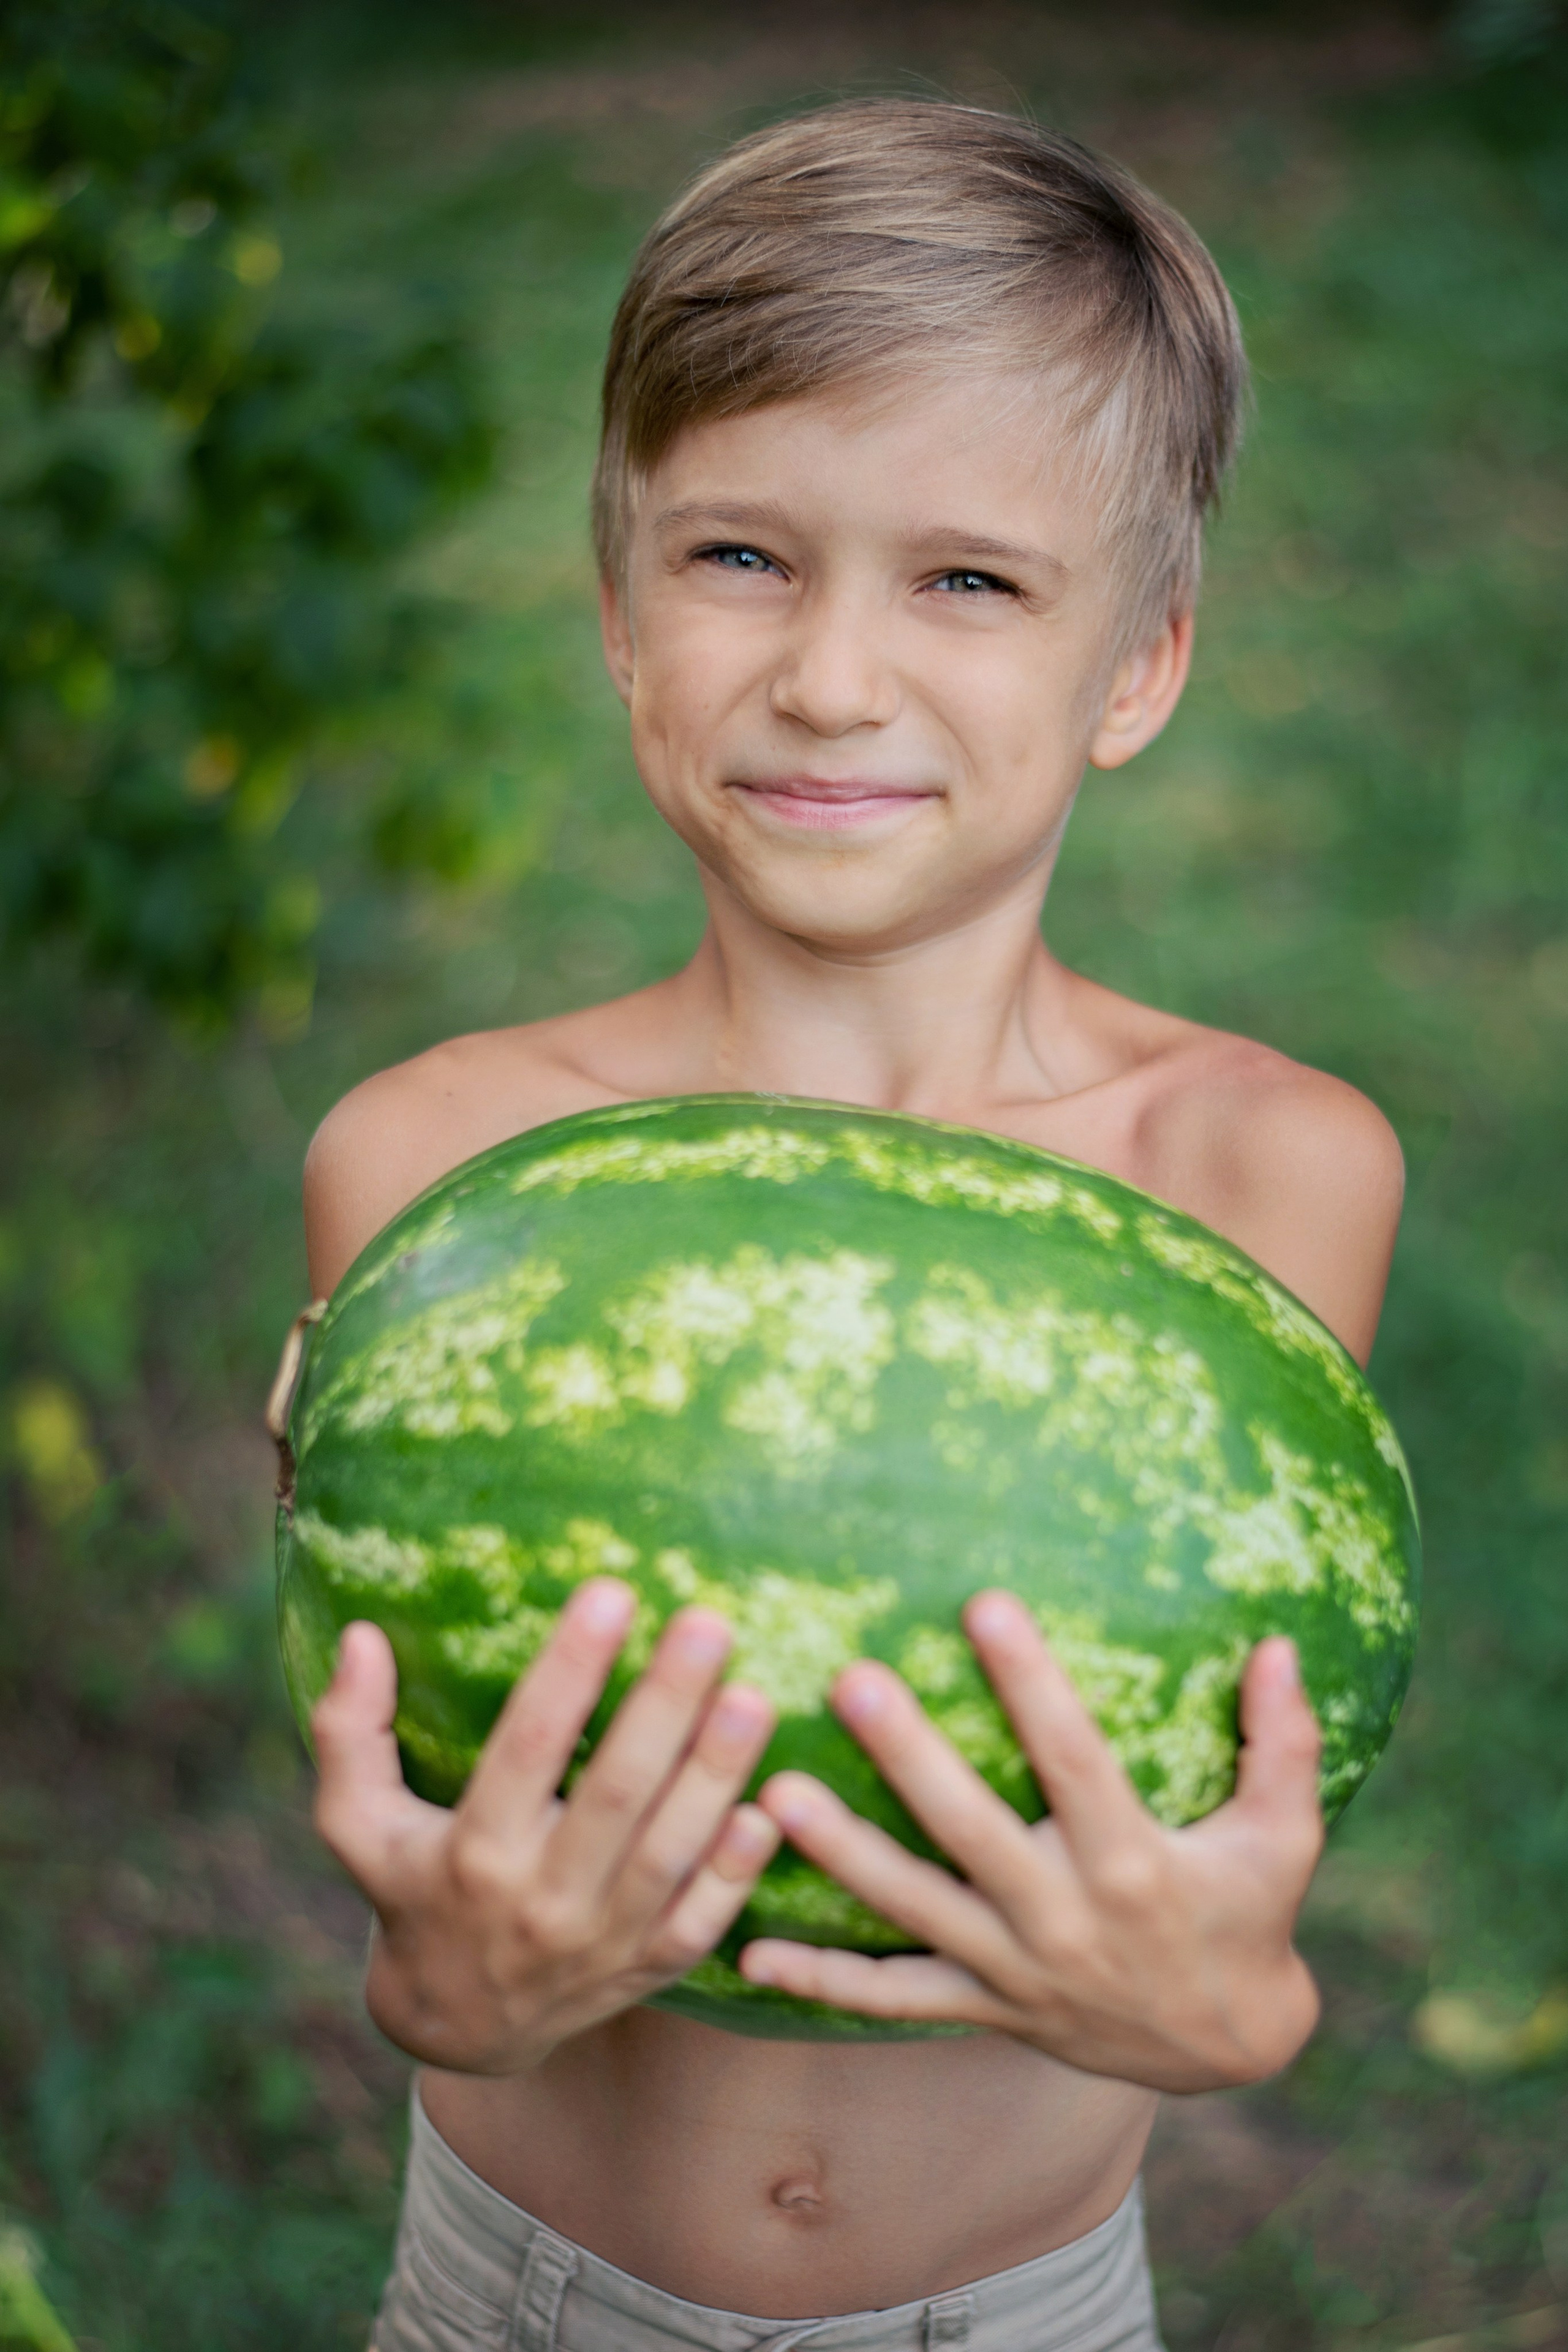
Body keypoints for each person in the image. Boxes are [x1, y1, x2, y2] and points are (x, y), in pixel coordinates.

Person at [302, 99, 1404, 2352]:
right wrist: (447, 1980)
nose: (827, 679)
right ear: (619, 616)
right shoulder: (436, 1166)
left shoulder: (1267, 1177)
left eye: (969, 580)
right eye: (740, 560)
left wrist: (1234, 2013)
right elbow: (429, 1873)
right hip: (512, 2291)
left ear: (1139, 667)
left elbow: (1233, 1837)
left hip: (1018, 2310)